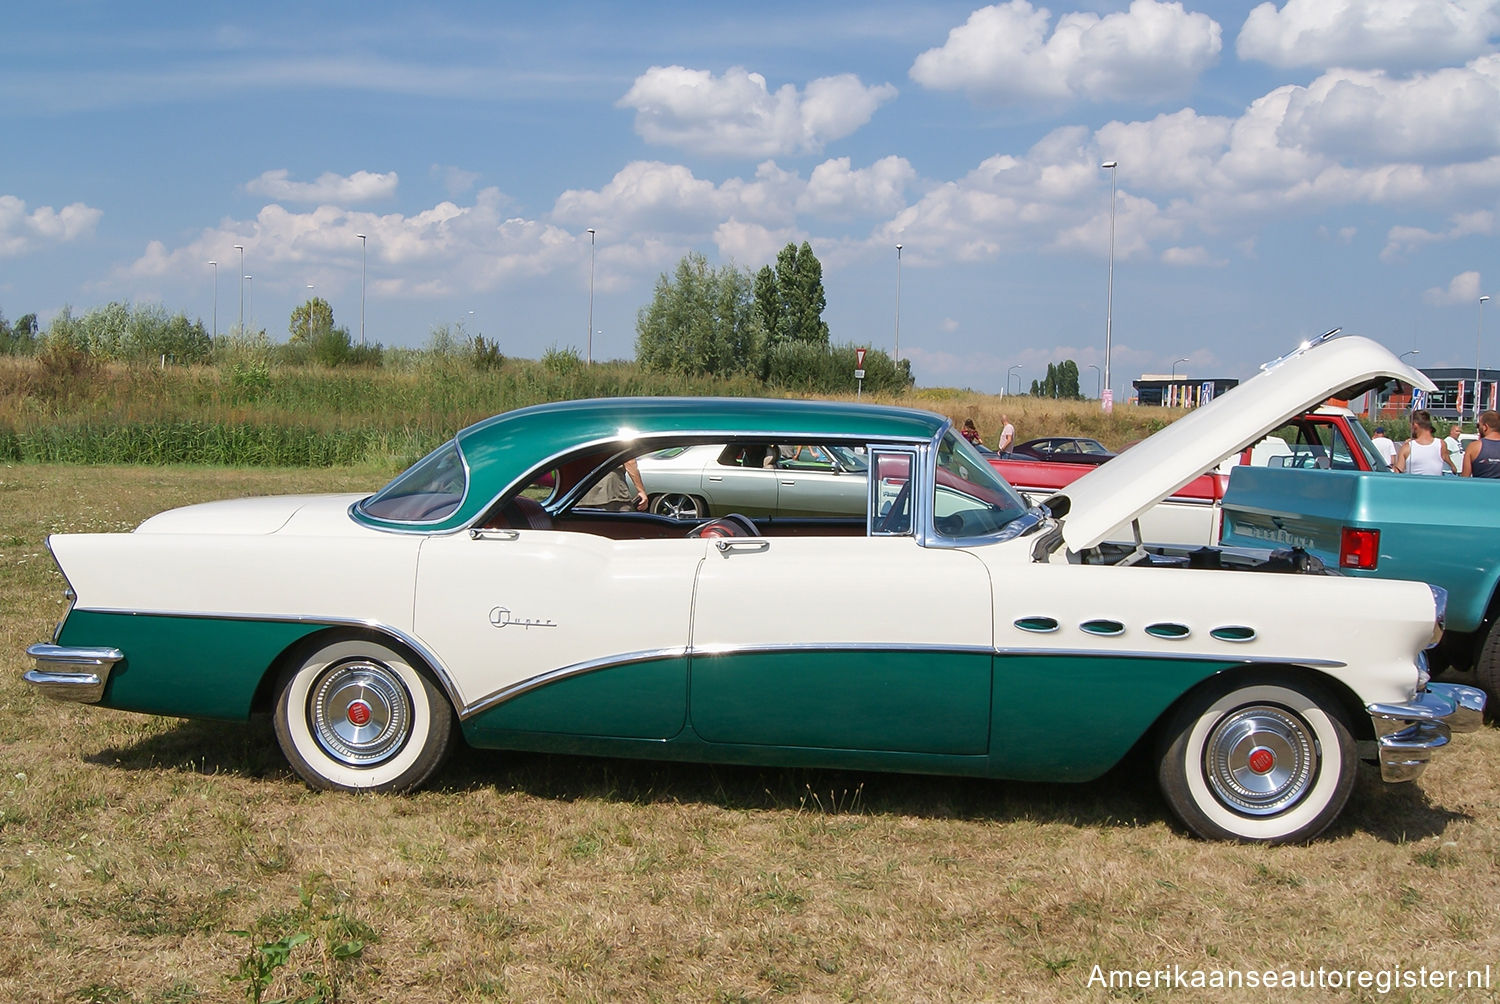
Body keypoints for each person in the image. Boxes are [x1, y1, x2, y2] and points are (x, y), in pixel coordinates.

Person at [578, 457, 648, 510]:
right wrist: (641, 491)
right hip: (611, 490)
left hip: (581, 490)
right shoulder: (617, 438)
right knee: (622, 525)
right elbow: (629, 462)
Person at [1463, 410, 1500, 478]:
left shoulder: (1473, 447)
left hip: (1479, 488)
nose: (1478, 428)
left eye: (1478, 425)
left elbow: (1465, 478)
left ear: (1485, 427)